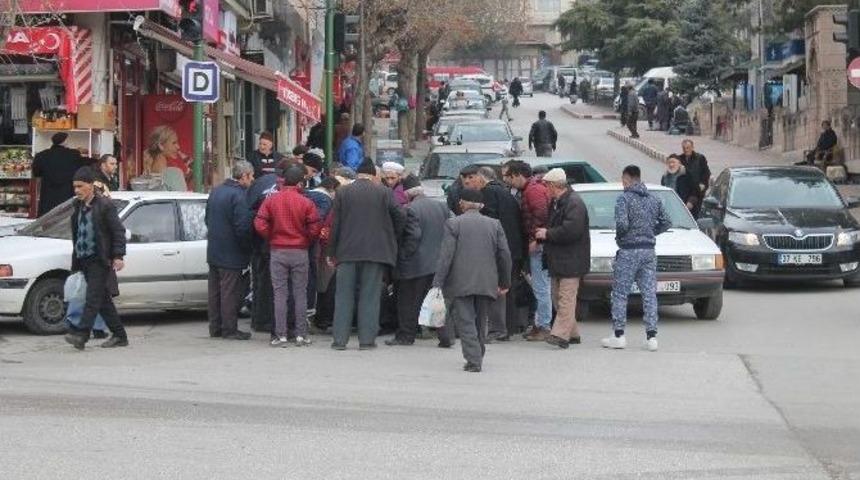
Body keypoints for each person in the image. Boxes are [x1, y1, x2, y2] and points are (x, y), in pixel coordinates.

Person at [327, 159, 405, 350]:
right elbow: (400, 216)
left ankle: (339, 340)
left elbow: (334, 225)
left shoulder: (343, 192)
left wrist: (331, 252)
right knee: (370, 297)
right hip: (375, 253)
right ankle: (367, 340)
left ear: (358, 174)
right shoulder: (384, 192)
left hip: (346, 253)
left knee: (343, 297)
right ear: (374, 175)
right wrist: (390, 235)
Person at [433, 188, 512, 373]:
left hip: (460, 281)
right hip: (487, 280)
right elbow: (504, 255)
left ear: (463, 204)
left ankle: (474, 359)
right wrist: (505, 281)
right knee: (480, 320)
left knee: (466, 320)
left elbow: (446, 256)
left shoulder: (454, 224)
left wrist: (438, 281)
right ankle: (478, 353)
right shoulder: (495, 224)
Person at [603, 165, 670, 352]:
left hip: (629, 251)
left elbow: (622, 223)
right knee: (649, 293)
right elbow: (667, 221)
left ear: (627, 178)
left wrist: (621, 237)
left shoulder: (623, 199)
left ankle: (618, 335)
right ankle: (651, 337)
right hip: (648, 251)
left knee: (620, 293)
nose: (622, 183)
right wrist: (650, 232)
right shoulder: (654, 199)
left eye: (623, 179)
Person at [254, 165, 321, 347]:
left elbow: (259, 223)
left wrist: (271, 236)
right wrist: (305, 239)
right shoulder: (306, 202)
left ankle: (280, 335)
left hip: (277, 251)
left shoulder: (271, 200)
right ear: (300, 182)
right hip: (299, 251)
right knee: (300, 294)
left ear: (283, 181)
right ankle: (301, 334)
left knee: (279, 293)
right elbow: (315, 227)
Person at [63, 167, 128, 350]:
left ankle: (81, 335)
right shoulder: (78, 206)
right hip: (83, 259)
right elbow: (78, 234)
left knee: (92, 299)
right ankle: (120, 336)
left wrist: (118, 255)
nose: (76, 190)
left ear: (91, 185)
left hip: (99, 260)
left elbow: (118, 231)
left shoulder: (105, 205)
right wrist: (76, 262)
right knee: (103, 301)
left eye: (80, 186)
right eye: (74, 186)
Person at [387, 174, 452, 346]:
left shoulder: (411, 209)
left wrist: (403, 255)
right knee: (436, 301)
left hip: (415, 264)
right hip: (437, 263)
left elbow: (413, 236)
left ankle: (405, 336)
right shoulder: (441, 207)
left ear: (407, 193)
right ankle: (445, 337)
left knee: (407, 301)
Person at [461, 165, 524, 341]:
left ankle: (499, 330)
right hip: (515, 247)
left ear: (481, 179)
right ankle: (509, 327)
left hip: (503, 248)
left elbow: (491, 219)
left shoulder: (489, 193)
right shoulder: (504, 192)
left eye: (474, 179)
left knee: (498, 289)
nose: (471, 182)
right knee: (507, 288)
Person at [534, 168, 590, 349]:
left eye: (546, 186)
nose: (545, 190)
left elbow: (571, 231)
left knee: (565, 298)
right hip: (559, 259)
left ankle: (560, 335)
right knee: (558, 298)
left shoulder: (574, 203)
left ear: (554, 185)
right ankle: (572, 333)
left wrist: (547, 233)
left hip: (572, 260)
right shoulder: (558, 202)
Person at [502, 160, 552, 341]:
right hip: (535, 243)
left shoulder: (533, 190)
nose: (507, 181)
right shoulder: (530, 189)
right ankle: (540, 324)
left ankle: (544, 326)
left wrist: (536, 240)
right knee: (540, 286)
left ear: (517, 175)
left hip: (538, 245)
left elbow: (542, 215)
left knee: (541, 287)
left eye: (508, 177)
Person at [206, 161, 255, 340]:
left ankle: (215, 327)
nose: (253, 180)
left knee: (215, 291)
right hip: (232, 252)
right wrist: (247, 248)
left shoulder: (216, 191)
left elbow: (206, 219)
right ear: (244, 176)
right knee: (230, 292)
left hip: (214, 249)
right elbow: (242, 227)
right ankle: (229, 329)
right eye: (251, 176)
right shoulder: (240, 196)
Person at [245, 163, 282, 335]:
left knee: (260, 282)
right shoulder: (278, 189)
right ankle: (265, 320)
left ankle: (257, 319)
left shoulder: (260, 183)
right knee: (268, 284)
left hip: (257, 241)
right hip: (270, 243)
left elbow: (249, 210)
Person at [32, 132, 85, 216]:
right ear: (64, 142)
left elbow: (36, 173)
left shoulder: (41, 155)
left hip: (48, 195)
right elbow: (80, 170)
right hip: (67, 193)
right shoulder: (73, 154)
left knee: (48, 219)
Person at [678, 139, 710, 217]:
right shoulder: (679, 159)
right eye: (684, 148)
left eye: (688, 148)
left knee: (695, 215)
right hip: (684, 192)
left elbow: (706, 173)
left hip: (697, 191)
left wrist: (703, 185)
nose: (686, 150)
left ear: (692, 147)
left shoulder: (700, 158)